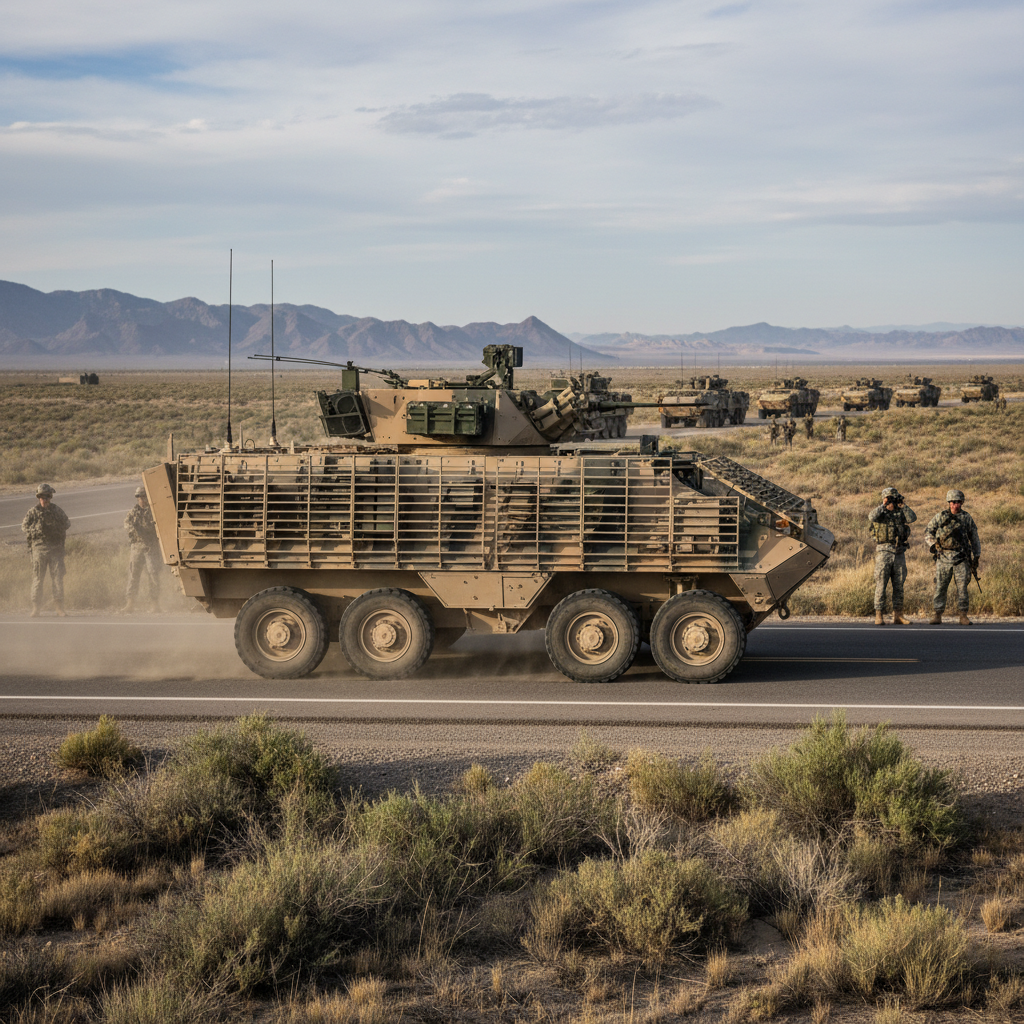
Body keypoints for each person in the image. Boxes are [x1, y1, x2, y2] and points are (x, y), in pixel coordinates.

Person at [924, 489, 981, 625]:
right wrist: (933, 545)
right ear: (949, 503)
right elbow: (928, 532)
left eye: (958, 502)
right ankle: (937, 614)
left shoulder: (966, 518)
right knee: (941, 587)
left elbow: (974, 538)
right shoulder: (940, 517)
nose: (956, 505)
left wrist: (977, 555)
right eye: (953, 502)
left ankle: (963, 615)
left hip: (961, 558)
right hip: (943, 557)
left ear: (961, 503)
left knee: (962, 588)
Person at [868, 486, 917, 625]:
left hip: (899, 552)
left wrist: (903, 505)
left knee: (899, 585)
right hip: (883, 551)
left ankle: (898, 615)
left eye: (893, 498)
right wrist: (883, 505)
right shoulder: (880, 513)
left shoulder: (900, 512)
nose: (891, 501)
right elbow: (871, 516)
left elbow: (912, 518)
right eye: (889, 498)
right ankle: (879, 615)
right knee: (881, 584)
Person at [21, 483, 71, 617]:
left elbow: (67, 523)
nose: (45, 499)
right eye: (43, 497)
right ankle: (36, 608)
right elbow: (24, 527)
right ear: (39, 498)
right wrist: (37, 529)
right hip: (39, 550)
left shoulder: (56, 510)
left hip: (55, 549)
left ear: (51, 497)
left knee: (57, 579)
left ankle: (59, 608)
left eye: (48, 497)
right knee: (38, 579)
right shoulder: (33, 512)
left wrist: (55, 528)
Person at [123, 486, 162, 612]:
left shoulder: (154, 511)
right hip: (137, 547)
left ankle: (155, 604)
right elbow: (127, 524)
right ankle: (130, 604)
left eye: (143, 496)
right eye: (139, 496)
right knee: (134, 575)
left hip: (151, 546)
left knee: (153, 575)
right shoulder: (133, 512)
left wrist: (149, 531)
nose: (141, 499)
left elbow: (159, 526)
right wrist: (134, 529)